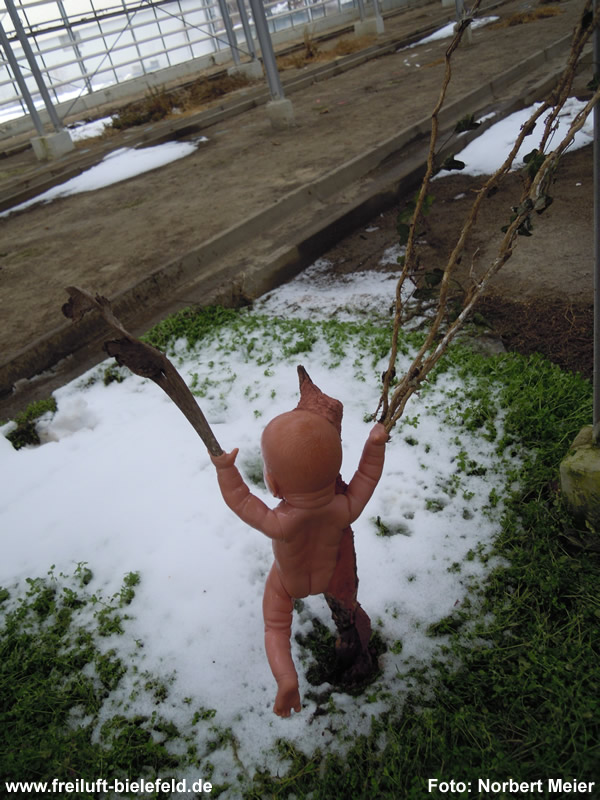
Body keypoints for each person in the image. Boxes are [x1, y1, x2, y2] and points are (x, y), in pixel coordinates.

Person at [210, 371, 387, 717]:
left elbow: (241, 501)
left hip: (287, 583)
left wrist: (225, 470)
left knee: (276, 630)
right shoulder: (343, 509)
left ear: (274, 484)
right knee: (297, 617)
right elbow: (368, 475)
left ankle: (286, 679)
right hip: (328, 576)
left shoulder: (280, 522)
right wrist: (375, 445)